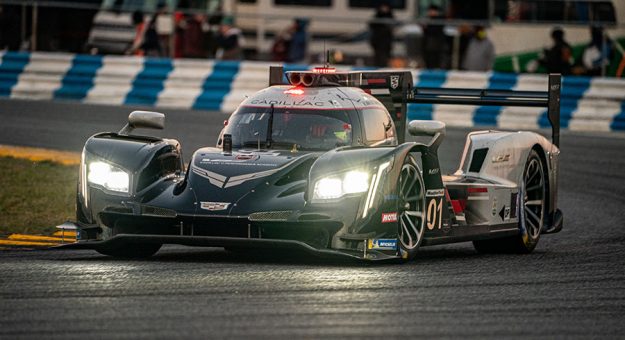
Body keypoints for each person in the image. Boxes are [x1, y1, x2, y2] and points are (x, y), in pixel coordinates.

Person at [421, 5, 448, 69]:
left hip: (435, 42)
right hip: (430, 43)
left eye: (431, 11)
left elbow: (434, 30)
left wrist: (425, 28)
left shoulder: (439, 19)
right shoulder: (429, 18)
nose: (429, 12)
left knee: (434, 57)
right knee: (429, 57)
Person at [368, 2, 394, 67]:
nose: (384, 9)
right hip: (377, 40)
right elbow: (371, 25)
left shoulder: (390, 16)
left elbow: (392, 26)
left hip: (386, 41)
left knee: (385, 57)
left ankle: (384, 68)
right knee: (378, 57)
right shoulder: (377, 16)